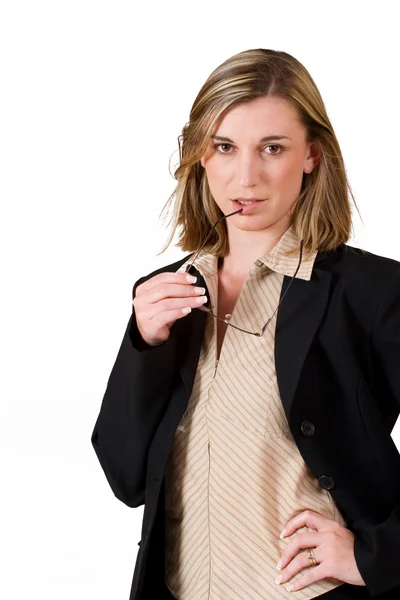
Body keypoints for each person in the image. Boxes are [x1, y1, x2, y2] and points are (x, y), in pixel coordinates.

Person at [91, 48, 400, 600]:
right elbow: (126, 478)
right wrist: (146, 345)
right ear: (200, 157)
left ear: (312, 156)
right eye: (226, 147)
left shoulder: (372, 293)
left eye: (273, 148)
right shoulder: (168, 294)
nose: (246, 177)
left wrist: (377, 555)